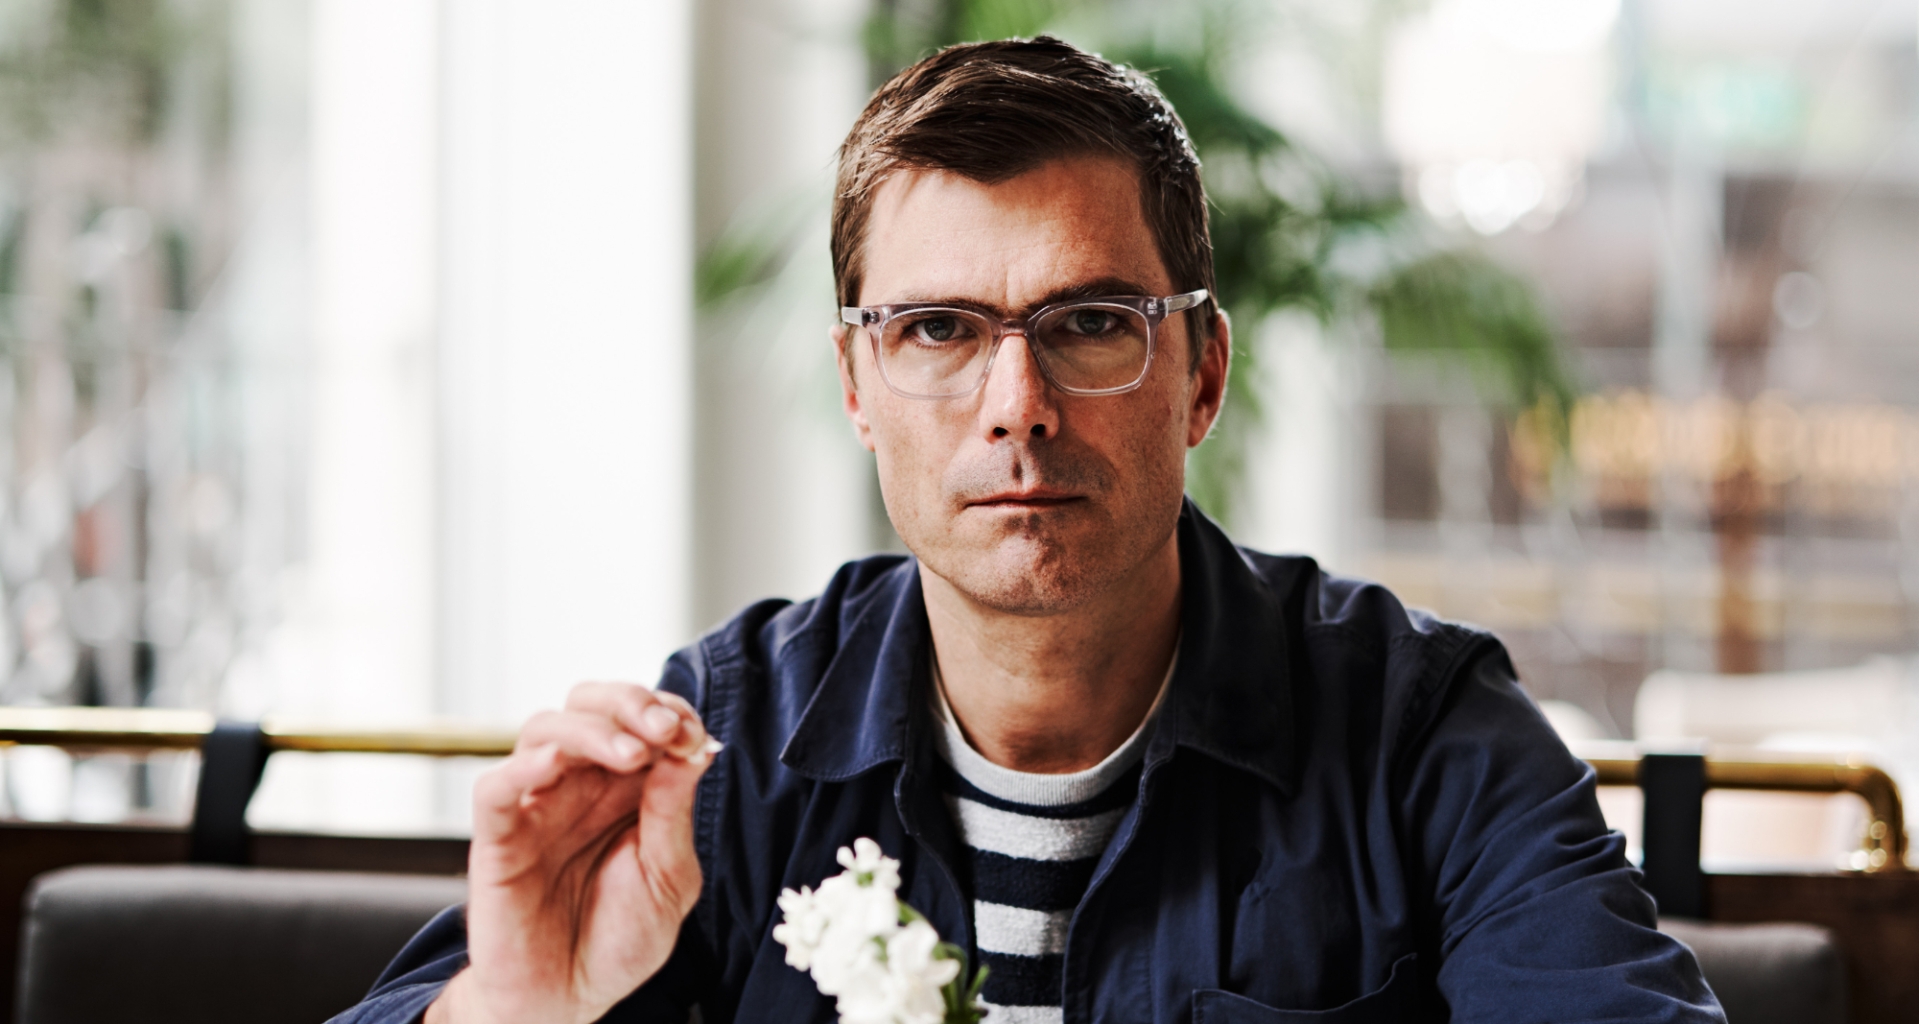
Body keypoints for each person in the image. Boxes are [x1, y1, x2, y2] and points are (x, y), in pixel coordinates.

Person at [336, 36, 1721, 1024]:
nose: (1021, 406)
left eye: (1091, 325)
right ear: (856, 385)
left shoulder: (1423, 740)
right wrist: (515, 1009)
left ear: (1204, 376)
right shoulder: (726, 745)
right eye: (939, 329)